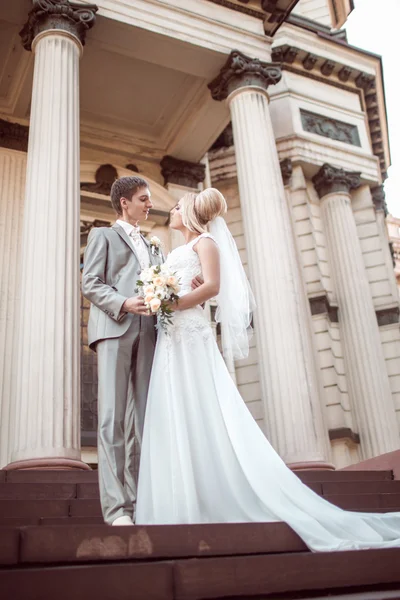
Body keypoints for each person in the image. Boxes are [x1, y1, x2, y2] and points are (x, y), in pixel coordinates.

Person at [135, 187, 400, 552]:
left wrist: (172, 301)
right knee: (174, 407)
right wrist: (162, 298)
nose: (173, 210)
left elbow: (212, 286)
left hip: (189, 333)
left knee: (199, 404)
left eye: (178, 205)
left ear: (192, 212)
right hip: (172, 336)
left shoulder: (207, 243)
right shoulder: (180, 248)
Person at [82, 176, 163, 526]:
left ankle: (143, 500)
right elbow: (90, 283)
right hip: (114, 329)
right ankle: (118, 509)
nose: (149, 204)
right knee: (112, 418)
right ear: (124, 202)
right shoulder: (102, 235)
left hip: (149, 334)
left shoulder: (154, 244)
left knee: (144, 419)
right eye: (144, 199)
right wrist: (124, 302)